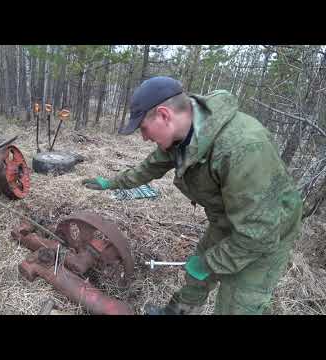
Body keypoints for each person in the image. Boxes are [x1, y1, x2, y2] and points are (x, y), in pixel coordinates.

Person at [82, 76, 303, 315]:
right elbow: (147, 168)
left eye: (143, 128)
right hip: (229, 218)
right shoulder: (181, 138)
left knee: (236, 304)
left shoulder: (244, 147)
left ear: (165, 115)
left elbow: (259, 234)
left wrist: (210, 263)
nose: (144, 137)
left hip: (267, 232)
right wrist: (110, 183)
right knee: (196, 277)